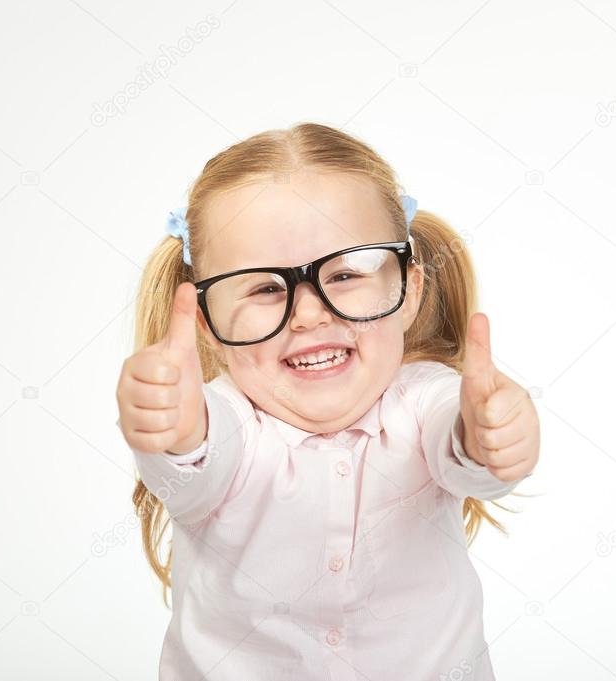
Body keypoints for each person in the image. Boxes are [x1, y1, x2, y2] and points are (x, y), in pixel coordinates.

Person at [115, 122, 540, 680]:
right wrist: (173, 427)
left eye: (344, 273)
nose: (310, 313)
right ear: (208, 322)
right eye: (264, 288)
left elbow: (460, 444)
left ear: (409, 290)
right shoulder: (225, 423)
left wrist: (491, 436)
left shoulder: (424, 403)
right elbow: (194, 458)